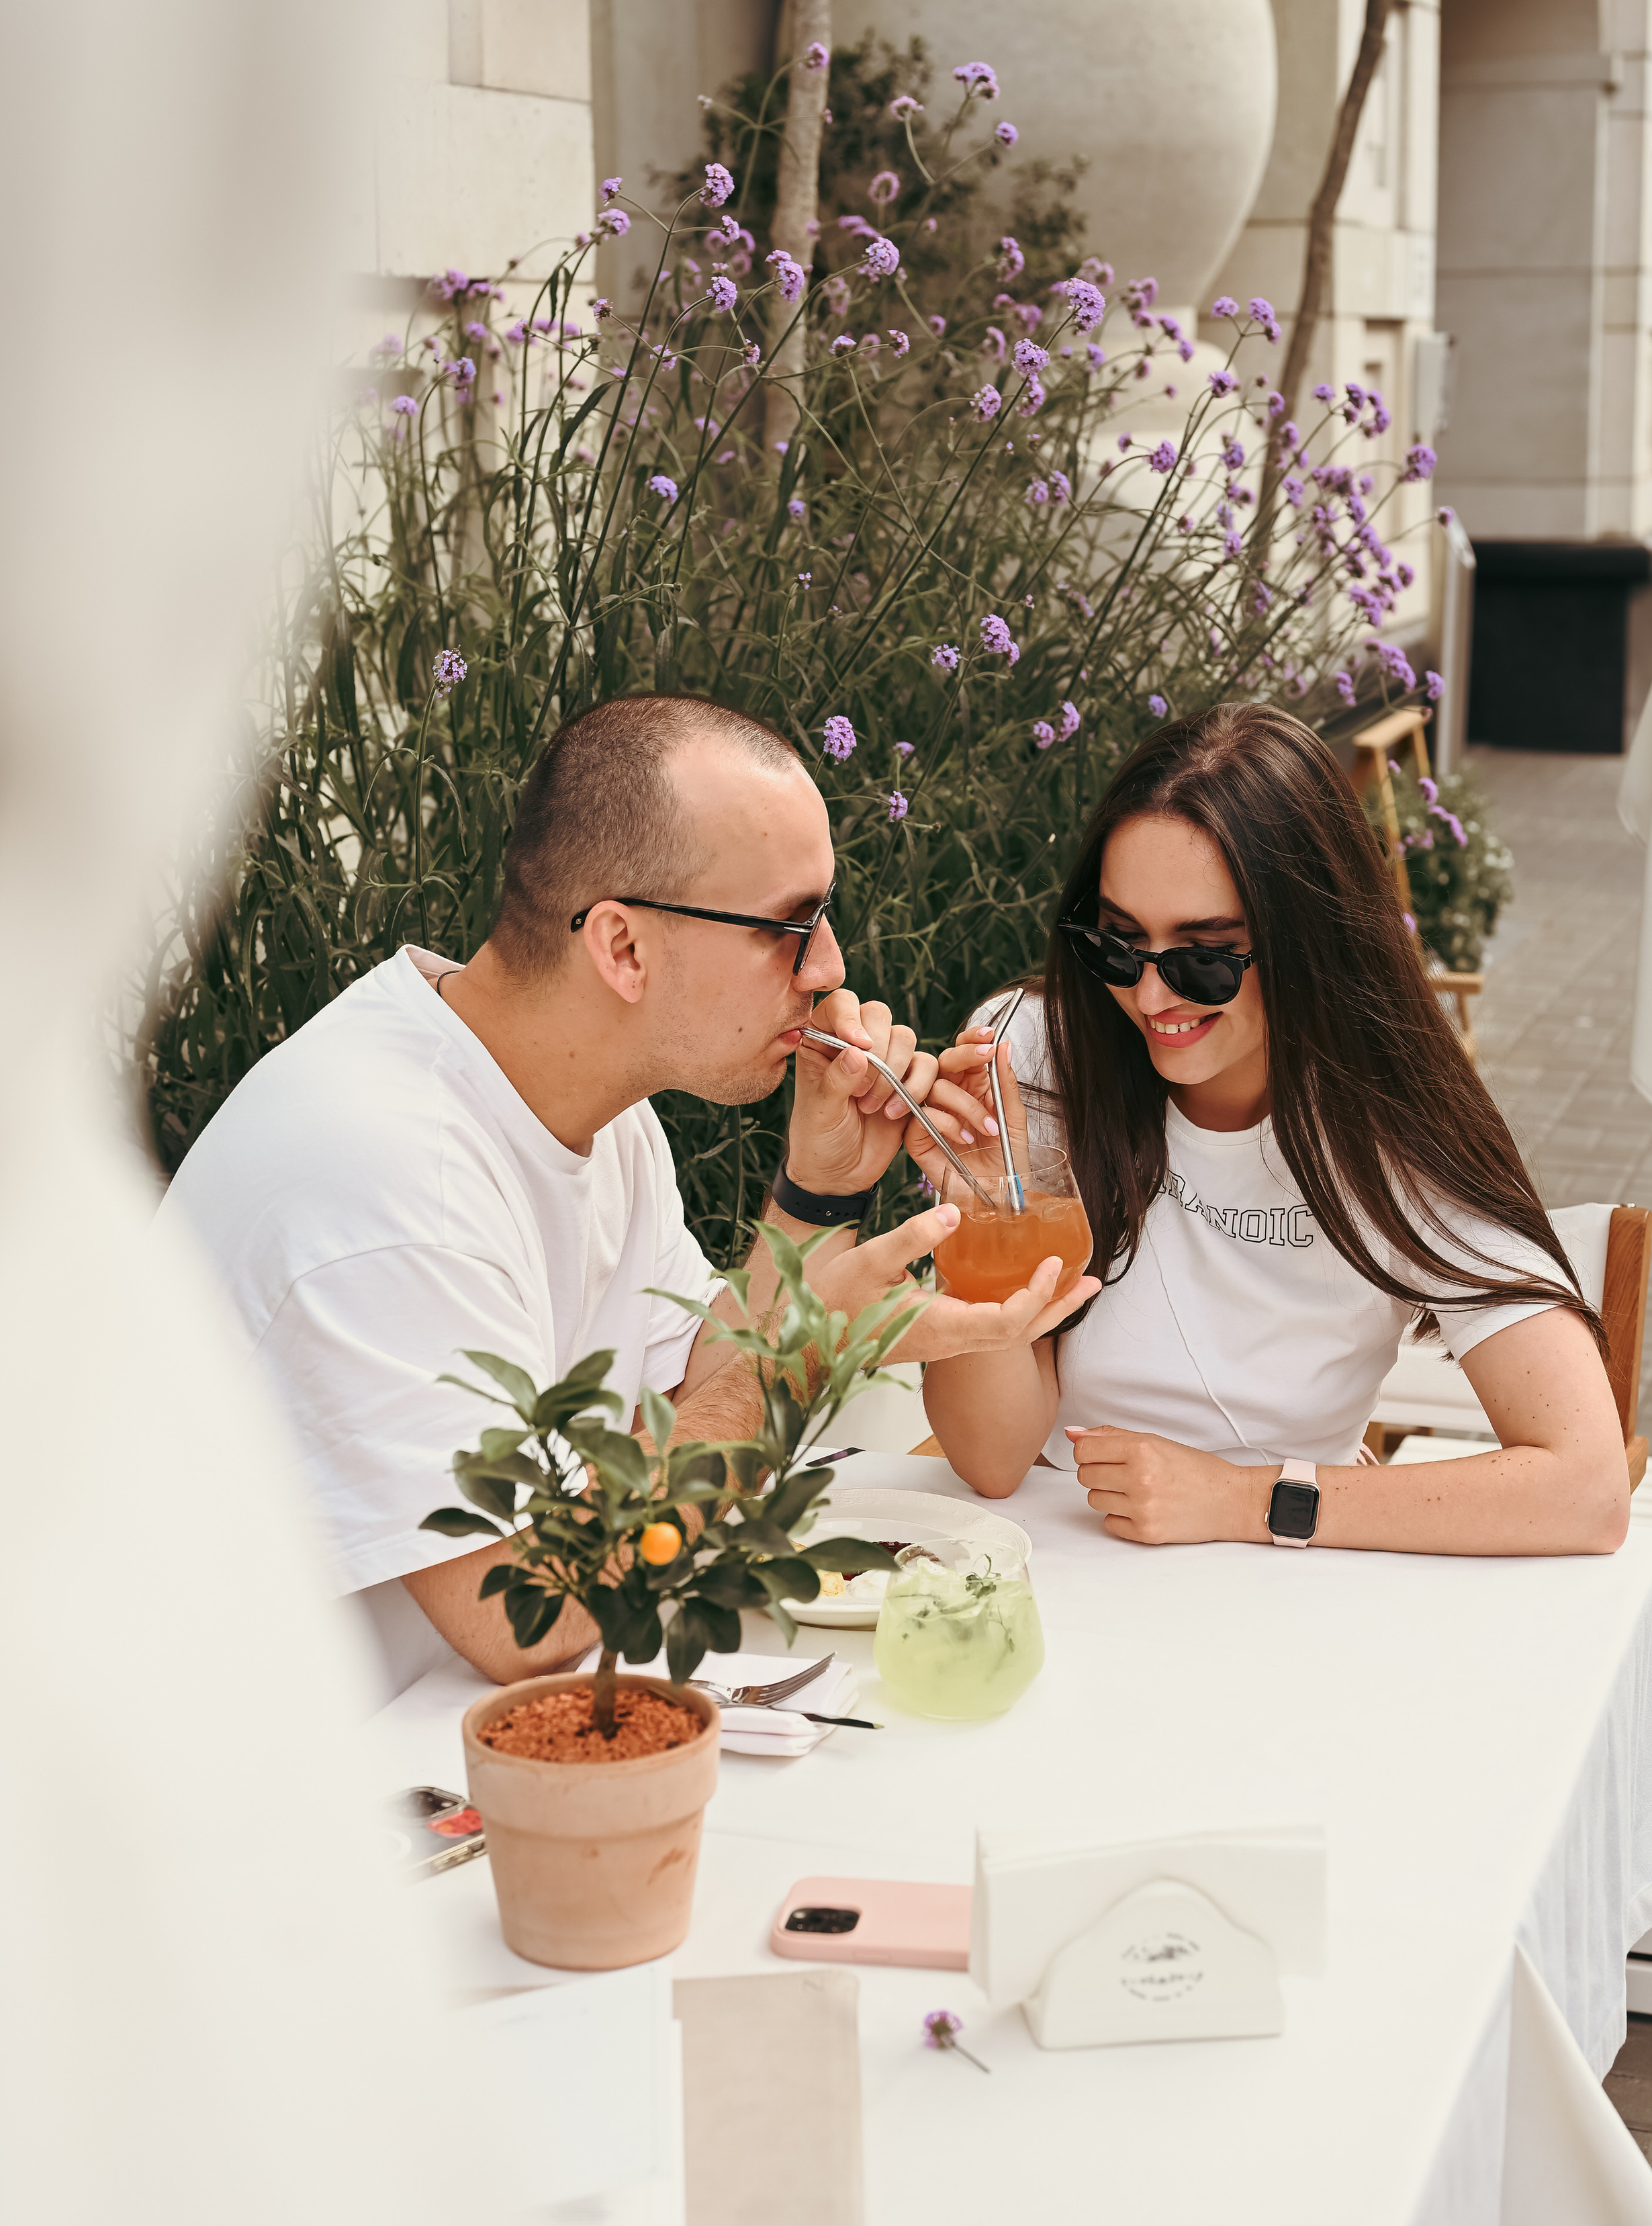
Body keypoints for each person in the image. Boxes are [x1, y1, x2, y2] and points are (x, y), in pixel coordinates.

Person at [159, 694, 1095, 1697]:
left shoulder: (587, 1103)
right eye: (787, 926)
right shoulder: (390, 1178)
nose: (828, 968)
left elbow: (696, 1382)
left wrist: (821, 1190)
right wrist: (803, 1355)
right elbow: (529, 1611)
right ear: (623, 948)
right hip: (239, 1788)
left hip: (440, 1727)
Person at [920, 703, 1631, 1556]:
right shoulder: (1034, 1056)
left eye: (1204, 958)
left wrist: (1242, 1500)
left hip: (1293, 1588)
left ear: (1308, 941)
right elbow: (993, 1460)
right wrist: (974, 1226)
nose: (1150, 998)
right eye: (1117, 944)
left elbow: (1587, 1487)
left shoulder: (1388, 1129)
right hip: (1057, 1570)